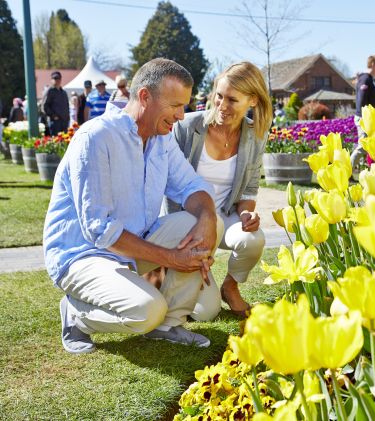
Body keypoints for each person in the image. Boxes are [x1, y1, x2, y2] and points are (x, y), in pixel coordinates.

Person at [43, 58, 221, 354]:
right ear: (144, 97)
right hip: (82, 256)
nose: (181, 115)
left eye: (184, 106)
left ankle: (169, 324)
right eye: (175, 105)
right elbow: (99, 230)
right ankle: (76, 315)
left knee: (202, 221)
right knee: (147, 311)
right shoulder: (96, 137)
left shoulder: (161, 140)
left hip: (131, 247)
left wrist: (208, 219)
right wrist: (172, 258)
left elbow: (194, 187)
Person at [164, 61, 272, 319]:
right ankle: (181, 279)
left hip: (223, 217)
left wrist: (246, 214)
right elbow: (169, 188)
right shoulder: (187, 128)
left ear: (253, 101)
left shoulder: (256, 134)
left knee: (252, 239)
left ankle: (230, 286)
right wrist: (186, 241)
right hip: (187, 223)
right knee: (206, 313)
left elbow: (249, 189)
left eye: (233, 100)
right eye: (219, 96)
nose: (222, 106)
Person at [42, 71, 70, 135]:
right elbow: (44, 106)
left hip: (64, 122)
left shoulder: (63, 92)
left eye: (58, 78)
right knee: (56, 142)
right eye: (55, 79)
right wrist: (53, 116)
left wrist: (67, 118)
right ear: (51, 80)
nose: (57, 80)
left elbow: (67, 106)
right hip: (55, 122)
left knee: (65, 141)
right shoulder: (49, 91)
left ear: (61, 79)